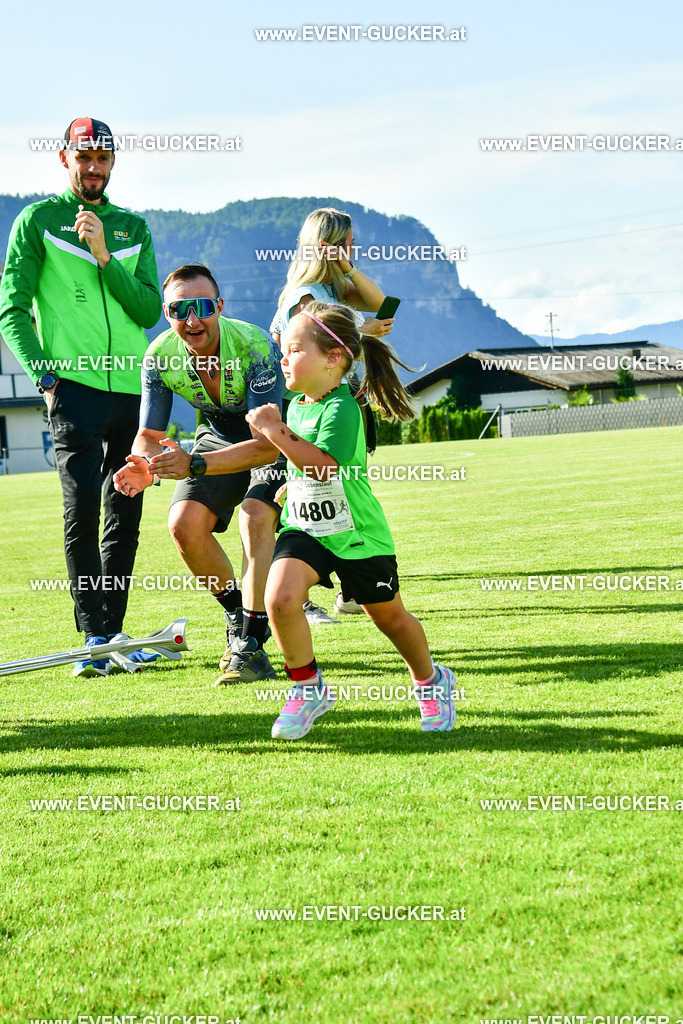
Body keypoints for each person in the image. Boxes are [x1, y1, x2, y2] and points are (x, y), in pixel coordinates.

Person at [245, 301, 457, 740]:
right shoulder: (299, 404)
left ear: (333, 359)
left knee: (389, 618)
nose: (283, 359)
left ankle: (430, 681)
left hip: (356, 533)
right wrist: (290, 482)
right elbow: (303, 462)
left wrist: (274, 431)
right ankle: (307, 689)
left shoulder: (342, 407)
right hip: (306, 529)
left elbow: (324, 465)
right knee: (280, 598)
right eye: (282, 350)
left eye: (294, 351)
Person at [0, 116, 162, 677]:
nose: (93, 167)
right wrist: (45, 377)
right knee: (83, 507)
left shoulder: (131, 227)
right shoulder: (37, 221)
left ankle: (114, 631)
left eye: (102, 158)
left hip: (131, 389)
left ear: (113, 162)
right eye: (83, 157)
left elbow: (146, 310)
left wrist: (102, 255)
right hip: (73, 390)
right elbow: (12, 309)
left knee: (126, 509)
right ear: (64, 158)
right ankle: (93, 635)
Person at [113, 264, 285, 685]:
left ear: (220, 307)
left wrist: (194, 463)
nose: (192, 320)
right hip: (216, 437)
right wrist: (146, 465)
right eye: (179, 309)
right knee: (183, 525)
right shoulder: (159, 356)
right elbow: (149, 435)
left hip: (276, 437)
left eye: (203, 307)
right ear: (167, 314)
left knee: (255, 516)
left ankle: (249, 639)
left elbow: (266, 444)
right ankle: (238, 614)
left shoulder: (255, 346)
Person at [269, 207, 396, 623]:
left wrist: (349, 267)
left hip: (340, 397)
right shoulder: (307, 296)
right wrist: (362, 331)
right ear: (322, 245)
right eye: (345, 242)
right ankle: (304, 594)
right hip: (313, 404)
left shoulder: (333, 290)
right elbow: (323, 341)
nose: (351, 248)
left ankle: (349, 585)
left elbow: (388, 306)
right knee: (310, 488)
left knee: (342, 484)